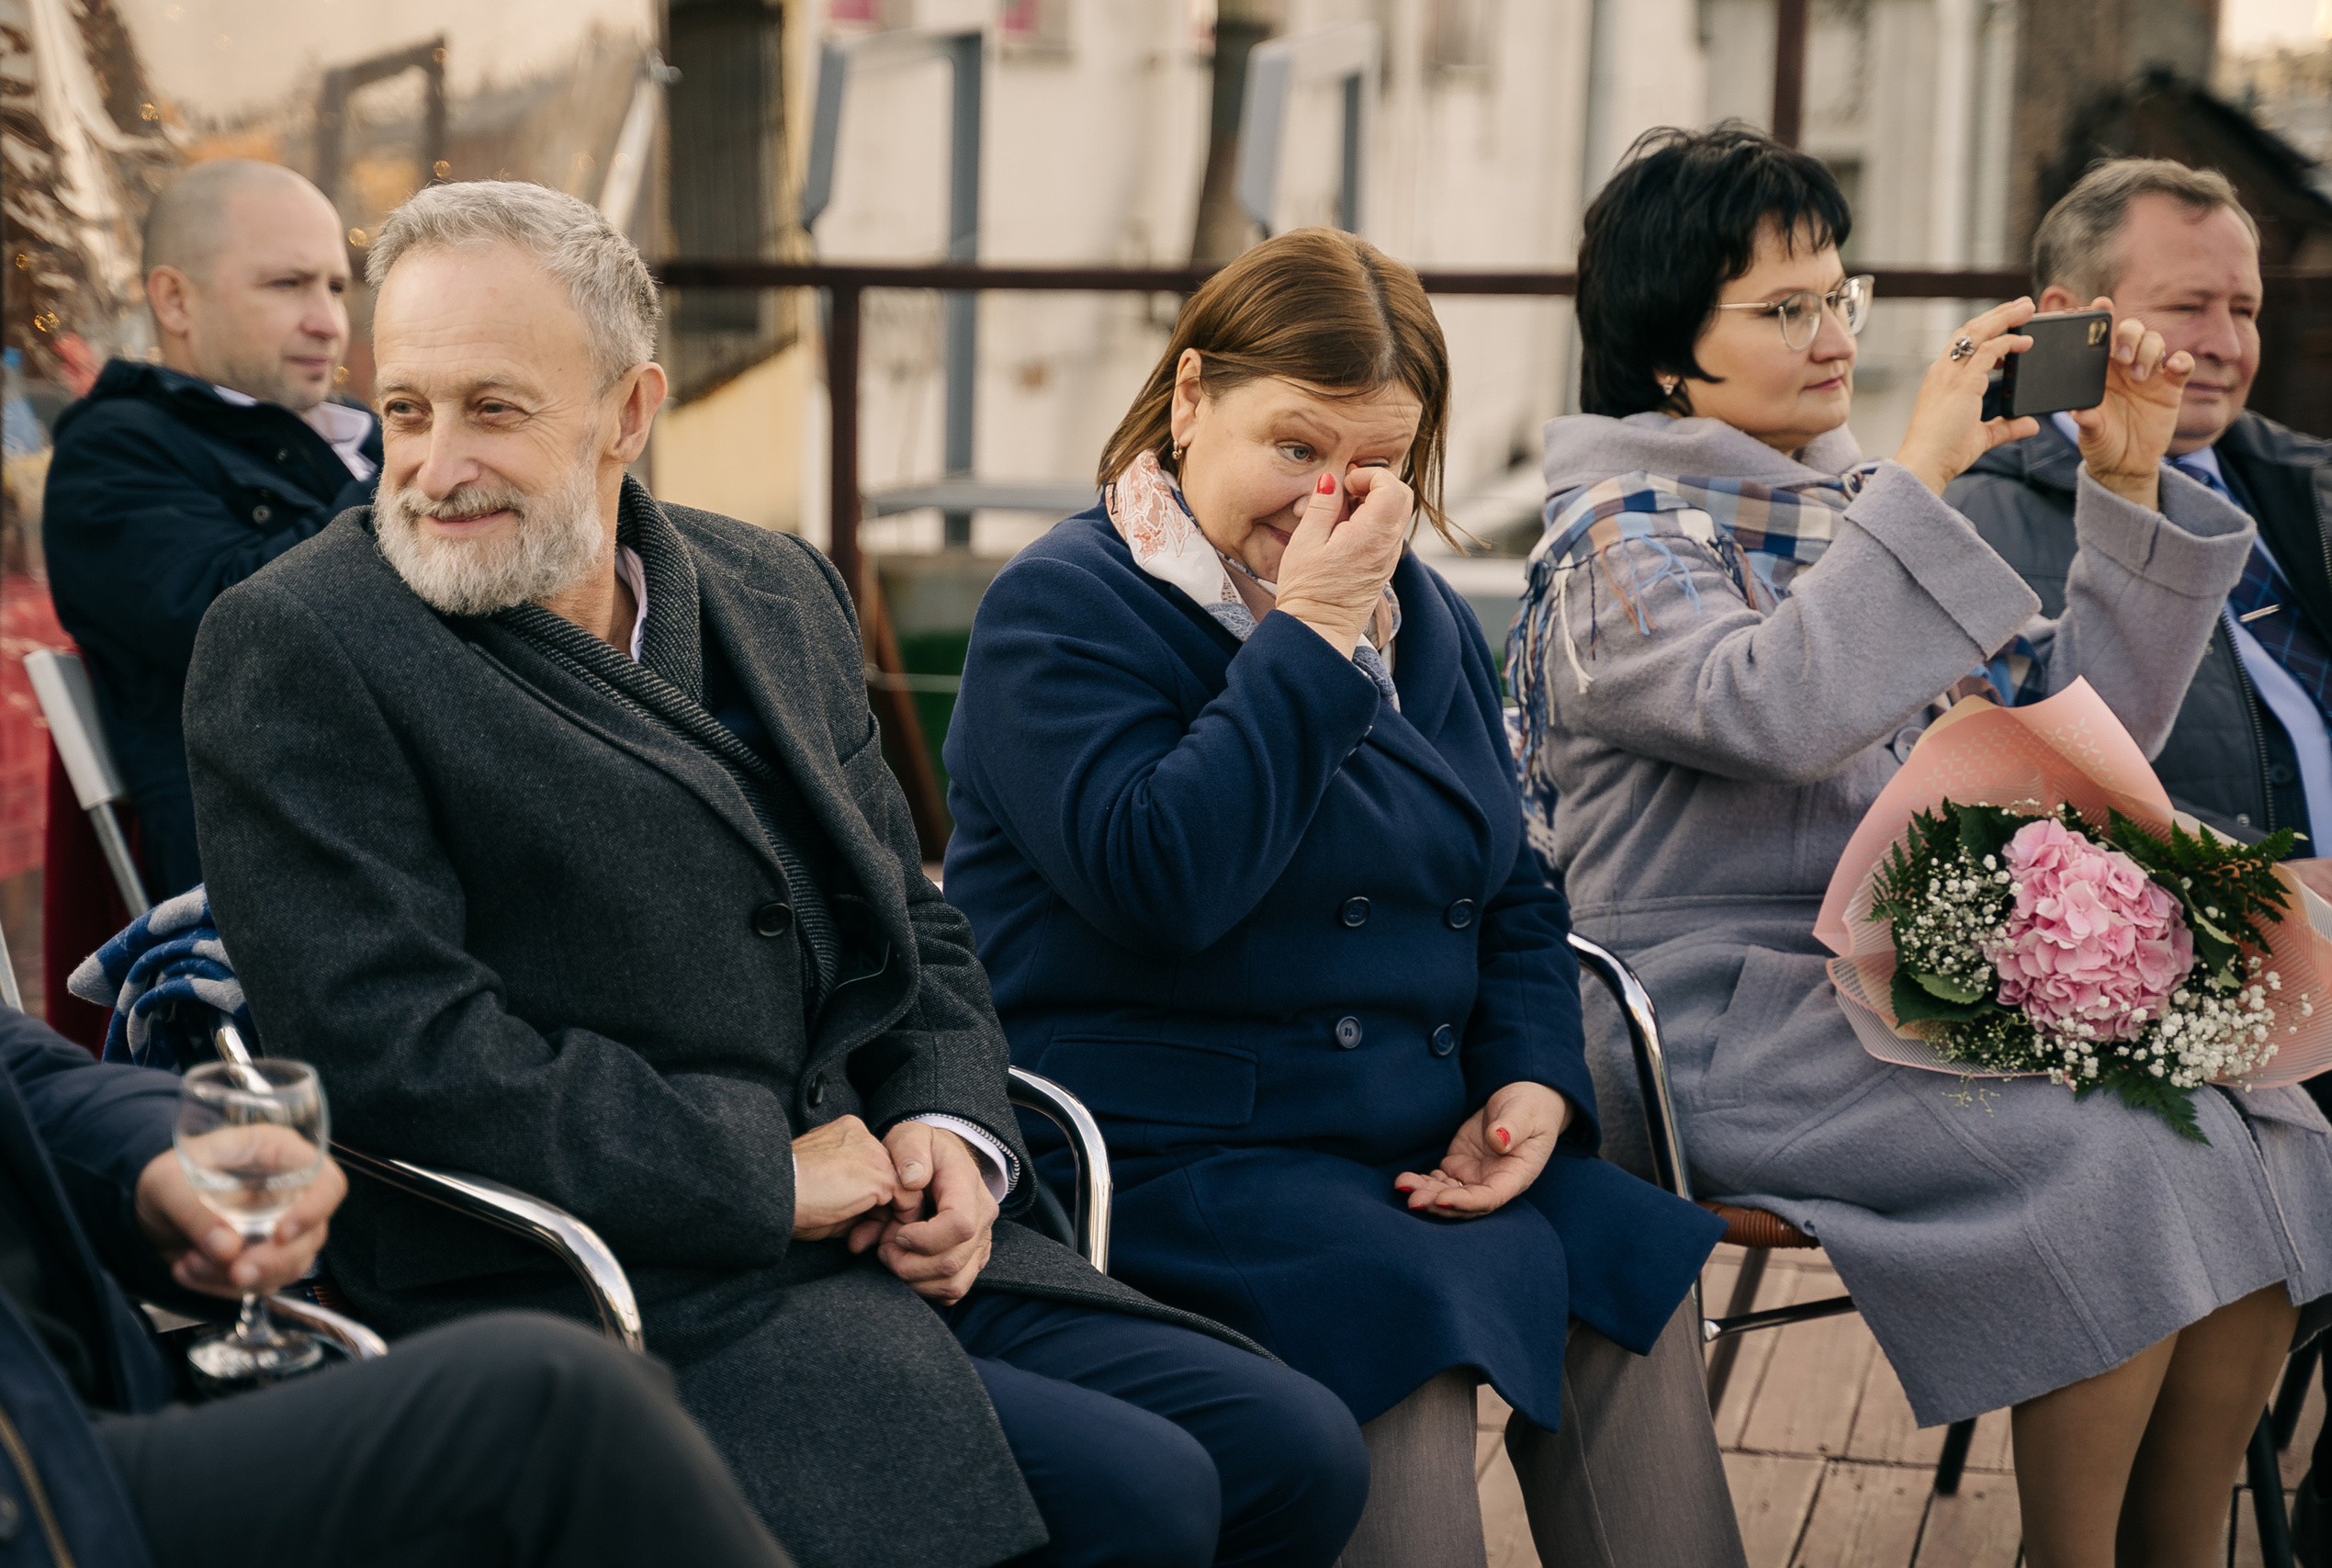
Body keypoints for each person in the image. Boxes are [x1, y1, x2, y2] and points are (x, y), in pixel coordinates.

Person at [180, 179, 1367, 1568]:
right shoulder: (300, 643)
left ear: (628, 412)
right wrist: (761, 1174)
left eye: (493, 409)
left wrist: (950, 1126)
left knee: (1296, 1453)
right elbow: (397, 1052)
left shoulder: (768, 586)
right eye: (407, 410)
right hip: (614, 1282)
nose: (436, 464)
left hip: (884, 1229)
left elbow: (914, 911)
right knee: (1145, 1493)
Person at [1509, 125, 2332, 1568]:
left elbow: (2065, 748)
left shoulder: (1844, 503)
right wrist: (1917, 474)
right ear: (1664, 351)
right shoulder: (1613, 540)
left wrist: (2128, 490)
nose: (1833, 335)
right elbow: (1778, 707)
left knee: (2269, 1128)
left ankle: (2179, 1549)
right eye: (1782, 309)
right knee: (2120, 1159)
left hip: (1923, 962)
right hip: (1717, 1010)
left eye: (1841, 294)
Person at [941, 227, 1739, 1568]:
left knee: (1630, 1277)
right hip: (1182, 1144)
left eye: (1375, 465)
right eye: (1297, 447)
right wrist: (1307, 639)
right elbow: (1162, 881)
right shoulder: (1063, 608)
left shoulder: (1409, 605)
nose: (1330, 497)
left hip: (1407, 1134)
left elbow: (1515, 888)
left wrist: (1530, 1075)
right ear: (1189, 398)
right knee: (1400, 1326)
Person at [1948, 156, 2332, 1564]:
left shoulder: (2298, 489)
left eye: (2245, 305)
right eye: (2191, 305)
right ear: (2075, 319)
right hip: (2215, 959)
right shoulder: (1996, 515)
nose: (2231, 342)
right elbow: (2032, 805)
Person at [0, 998, 794, 1568]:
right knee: (553, 1410)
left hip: (95, 1398)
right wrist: (766, 1175)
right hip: (48, 1493)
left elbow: (22, 1070)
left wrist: (154, 1162)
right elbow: (387, 1033)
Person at [42, 159, 378, 899]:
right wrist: (414, 489)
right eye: (287, 284)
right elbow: (247, 623)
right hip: (291, 880)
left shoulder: (366, 443)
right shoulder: (110, 452)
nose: (328, 320)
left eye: (335, 286)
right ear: (175, 300)